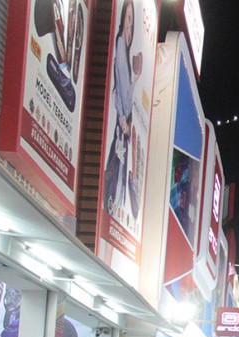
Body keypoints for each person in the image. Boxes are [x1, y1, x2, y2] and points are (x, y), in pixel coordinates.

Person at [102, 0, 139, 211]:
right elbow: (123, 97)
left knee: (116, 184)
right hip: (120, 131)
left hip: (121, 132)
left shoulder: (123, 50)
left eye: (132, 23)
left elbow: (124, 93)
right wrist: (124, 119)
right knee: (114, 184)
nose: (129, 26)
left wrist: (135, 78)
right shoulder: (119, 45)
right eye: (128, 19)